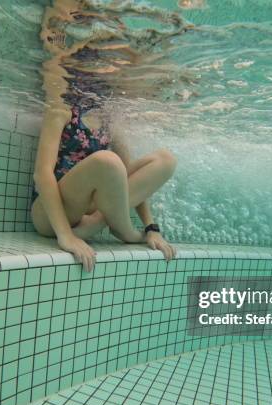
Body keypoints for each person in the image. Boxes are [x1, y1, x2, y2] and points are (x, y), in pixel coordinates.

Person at [30, 0, 180, 272]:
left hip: (87, 217)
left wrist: (151, 227)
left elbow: (127, 182)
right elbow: (42, 175)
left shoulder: (108, 117)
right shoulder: (62, 104)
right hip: (49, 217)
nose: (105, 77)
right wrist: (66, 236)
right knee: (108, 161)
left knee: (165, 159)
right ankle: (124, 231)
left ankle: (104, 224)